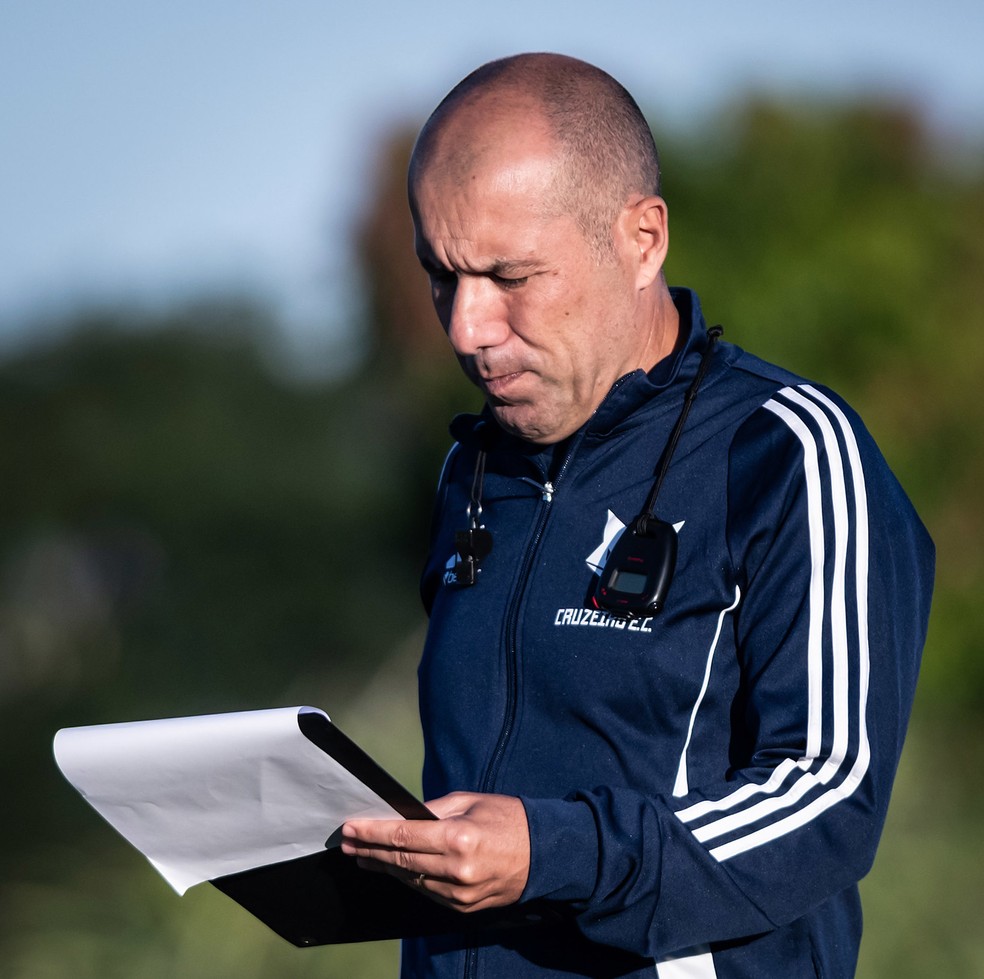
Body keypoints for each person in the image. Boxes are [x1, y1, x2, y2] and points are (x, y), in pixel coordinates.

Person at [341, 53, 934, 979]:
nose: (467, 327)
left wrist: (555, 852)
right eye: (442, 276)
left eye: (510, 276)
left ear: (643, 238)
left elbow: (827, 797)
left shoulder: (788, 450)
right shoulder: (472, 465)